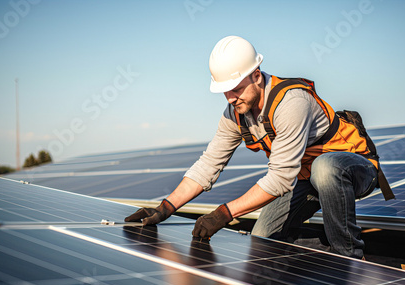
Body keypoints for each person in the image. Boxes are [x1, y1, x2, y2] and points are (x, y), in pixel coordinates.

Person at [125, 35, 384, 259]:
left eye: (235, 89)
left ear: (257, 76)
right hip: (306, 179)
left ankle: (349, 257)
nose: (230, 98)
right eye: (224, 91)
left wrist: (223, 214)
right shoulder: (235, 113)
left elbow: (281, 179)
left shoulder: (291, 102)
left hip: (354, 168)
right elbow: (208, 164)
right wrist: (165, 208)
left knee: (325, 167)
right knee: (262, 238)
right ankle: (328, 249)